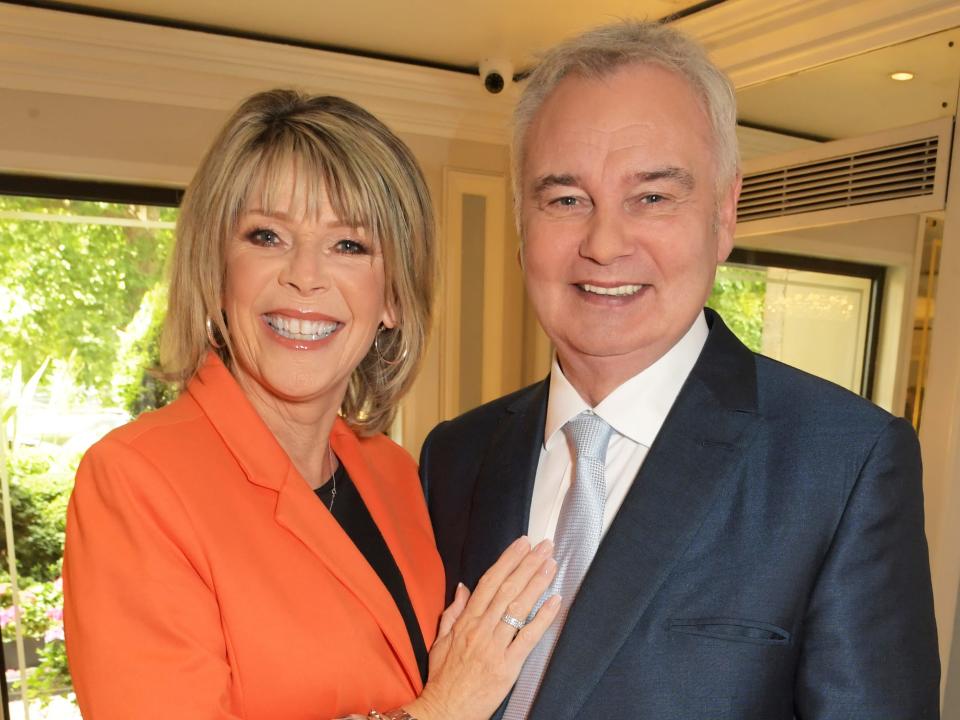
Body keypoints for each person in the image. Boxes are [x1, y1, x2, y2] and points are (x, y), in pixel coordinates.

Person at [420, 20, 940, 720]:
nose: (604, 244)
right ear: (521, 220)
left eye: (653, 198)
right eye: (566, 200)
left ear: (725, 213)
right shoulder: (455, 457)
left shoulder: (842, 465)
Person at [63, 89, 561, 720]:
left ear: (394, 299)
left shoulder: (396, 471)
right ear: (217, 273)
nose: (304, 275)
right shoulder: (136, 482)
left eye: (349, 245)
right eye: (267, 236)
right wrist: (444, 710)